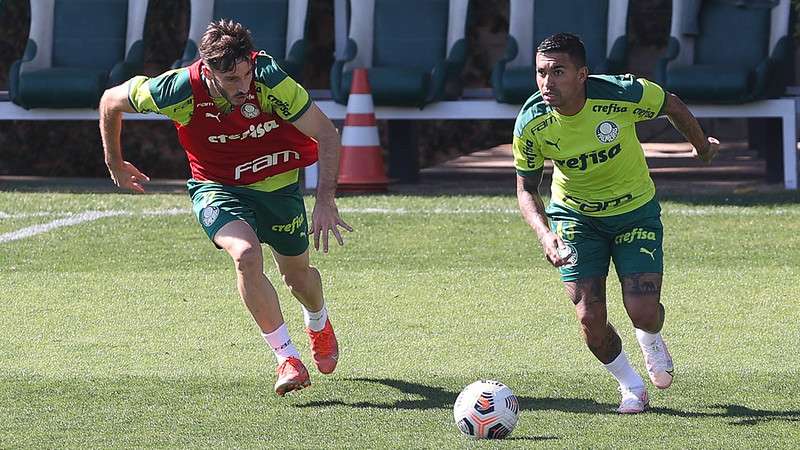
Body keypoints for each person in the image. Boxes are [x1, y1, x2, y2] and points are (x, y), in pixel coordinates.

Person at [99, 19, 352, 396]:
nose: (243, 87)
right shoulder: (178, 89)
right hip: (217, 187)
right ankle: (287, 357)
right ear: (208, 70)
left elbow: (327, 134)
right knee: (246, 256)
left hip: (279, 186)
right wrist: (114, 163)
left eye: (246, 75)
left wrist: (325, 201)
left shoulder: (270, 80)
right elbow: (110, 100)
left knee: (299, 279)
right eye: (231, 80)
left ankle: (318, 321)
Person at [513, 33, 719, 413]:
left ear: (582, 75)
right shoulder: (531, 122)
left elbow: (671, 104)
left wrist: (701, 146)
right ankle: (630, 386)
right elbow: (526, 188)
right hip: (576, 218)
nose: (546, 82)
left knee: (642, 310)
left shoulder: (622, 95)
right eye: (541, 73)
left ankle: (651, 338)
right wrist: (544, 235)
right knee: (590, 318)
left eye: (558, 72)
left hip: (634, 212)